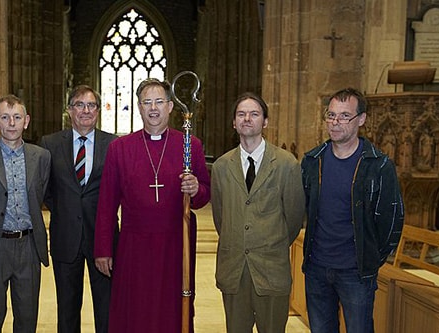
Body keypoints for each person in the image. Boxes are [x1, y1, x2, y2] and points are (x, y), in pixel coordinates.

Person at [94, 78, 211, 332]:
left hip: (176, 244)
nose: (153, 108)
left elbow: (204, 195)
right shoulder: (120, 148)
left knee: (172, 308)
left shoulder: (190, 145)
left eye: (159, 101)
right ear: (139, 107)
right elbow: (106, 203)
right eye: (147, 102)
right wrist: (103, 248)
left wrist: (195, 189)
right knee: (135, 308)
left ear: (170, 106)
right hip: (134, 247)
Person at [301, 88, 405, 333]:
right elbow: (304, 207)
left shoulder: (378, 165)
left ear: (361, 119)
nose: (336, 122)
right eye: (331, 115)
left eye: (345, 116)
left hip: (355, 273)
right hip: (317, 268)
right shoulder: (312, 161)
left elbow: (392, 221)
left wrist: (369, 259)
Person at [210, 92, 306, 333]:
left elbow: (294, 218)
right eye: (241, 114)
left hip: (271, 269)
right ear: (234, 122)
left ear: (265, 121)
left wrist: (269, 242)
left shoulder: (286, 164)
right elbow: (221, 218)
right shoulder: (222, 166)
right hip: (234, 271)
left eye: (254, 114)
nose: (247, 119)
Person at [39, 85, 117, 333]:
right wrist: (66, 211)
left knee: (106, 308)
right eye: (79, 105)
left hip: (103, 239)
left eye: (91, 105)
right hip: (65, 238)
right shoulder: (50, 144)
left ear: (98, 110)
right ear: (69, 110)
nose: (85, 110)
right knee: (67, 309)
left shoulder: (114, 144)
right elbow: (46, 190)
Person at [0, 95, 51, 333]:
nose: (11, 123)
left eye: (17, 117)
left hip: (29, 245)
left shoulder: (40, 157)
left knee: (27, 318)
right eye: (5, 117)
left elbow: (42, 194)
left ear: (26, 121)